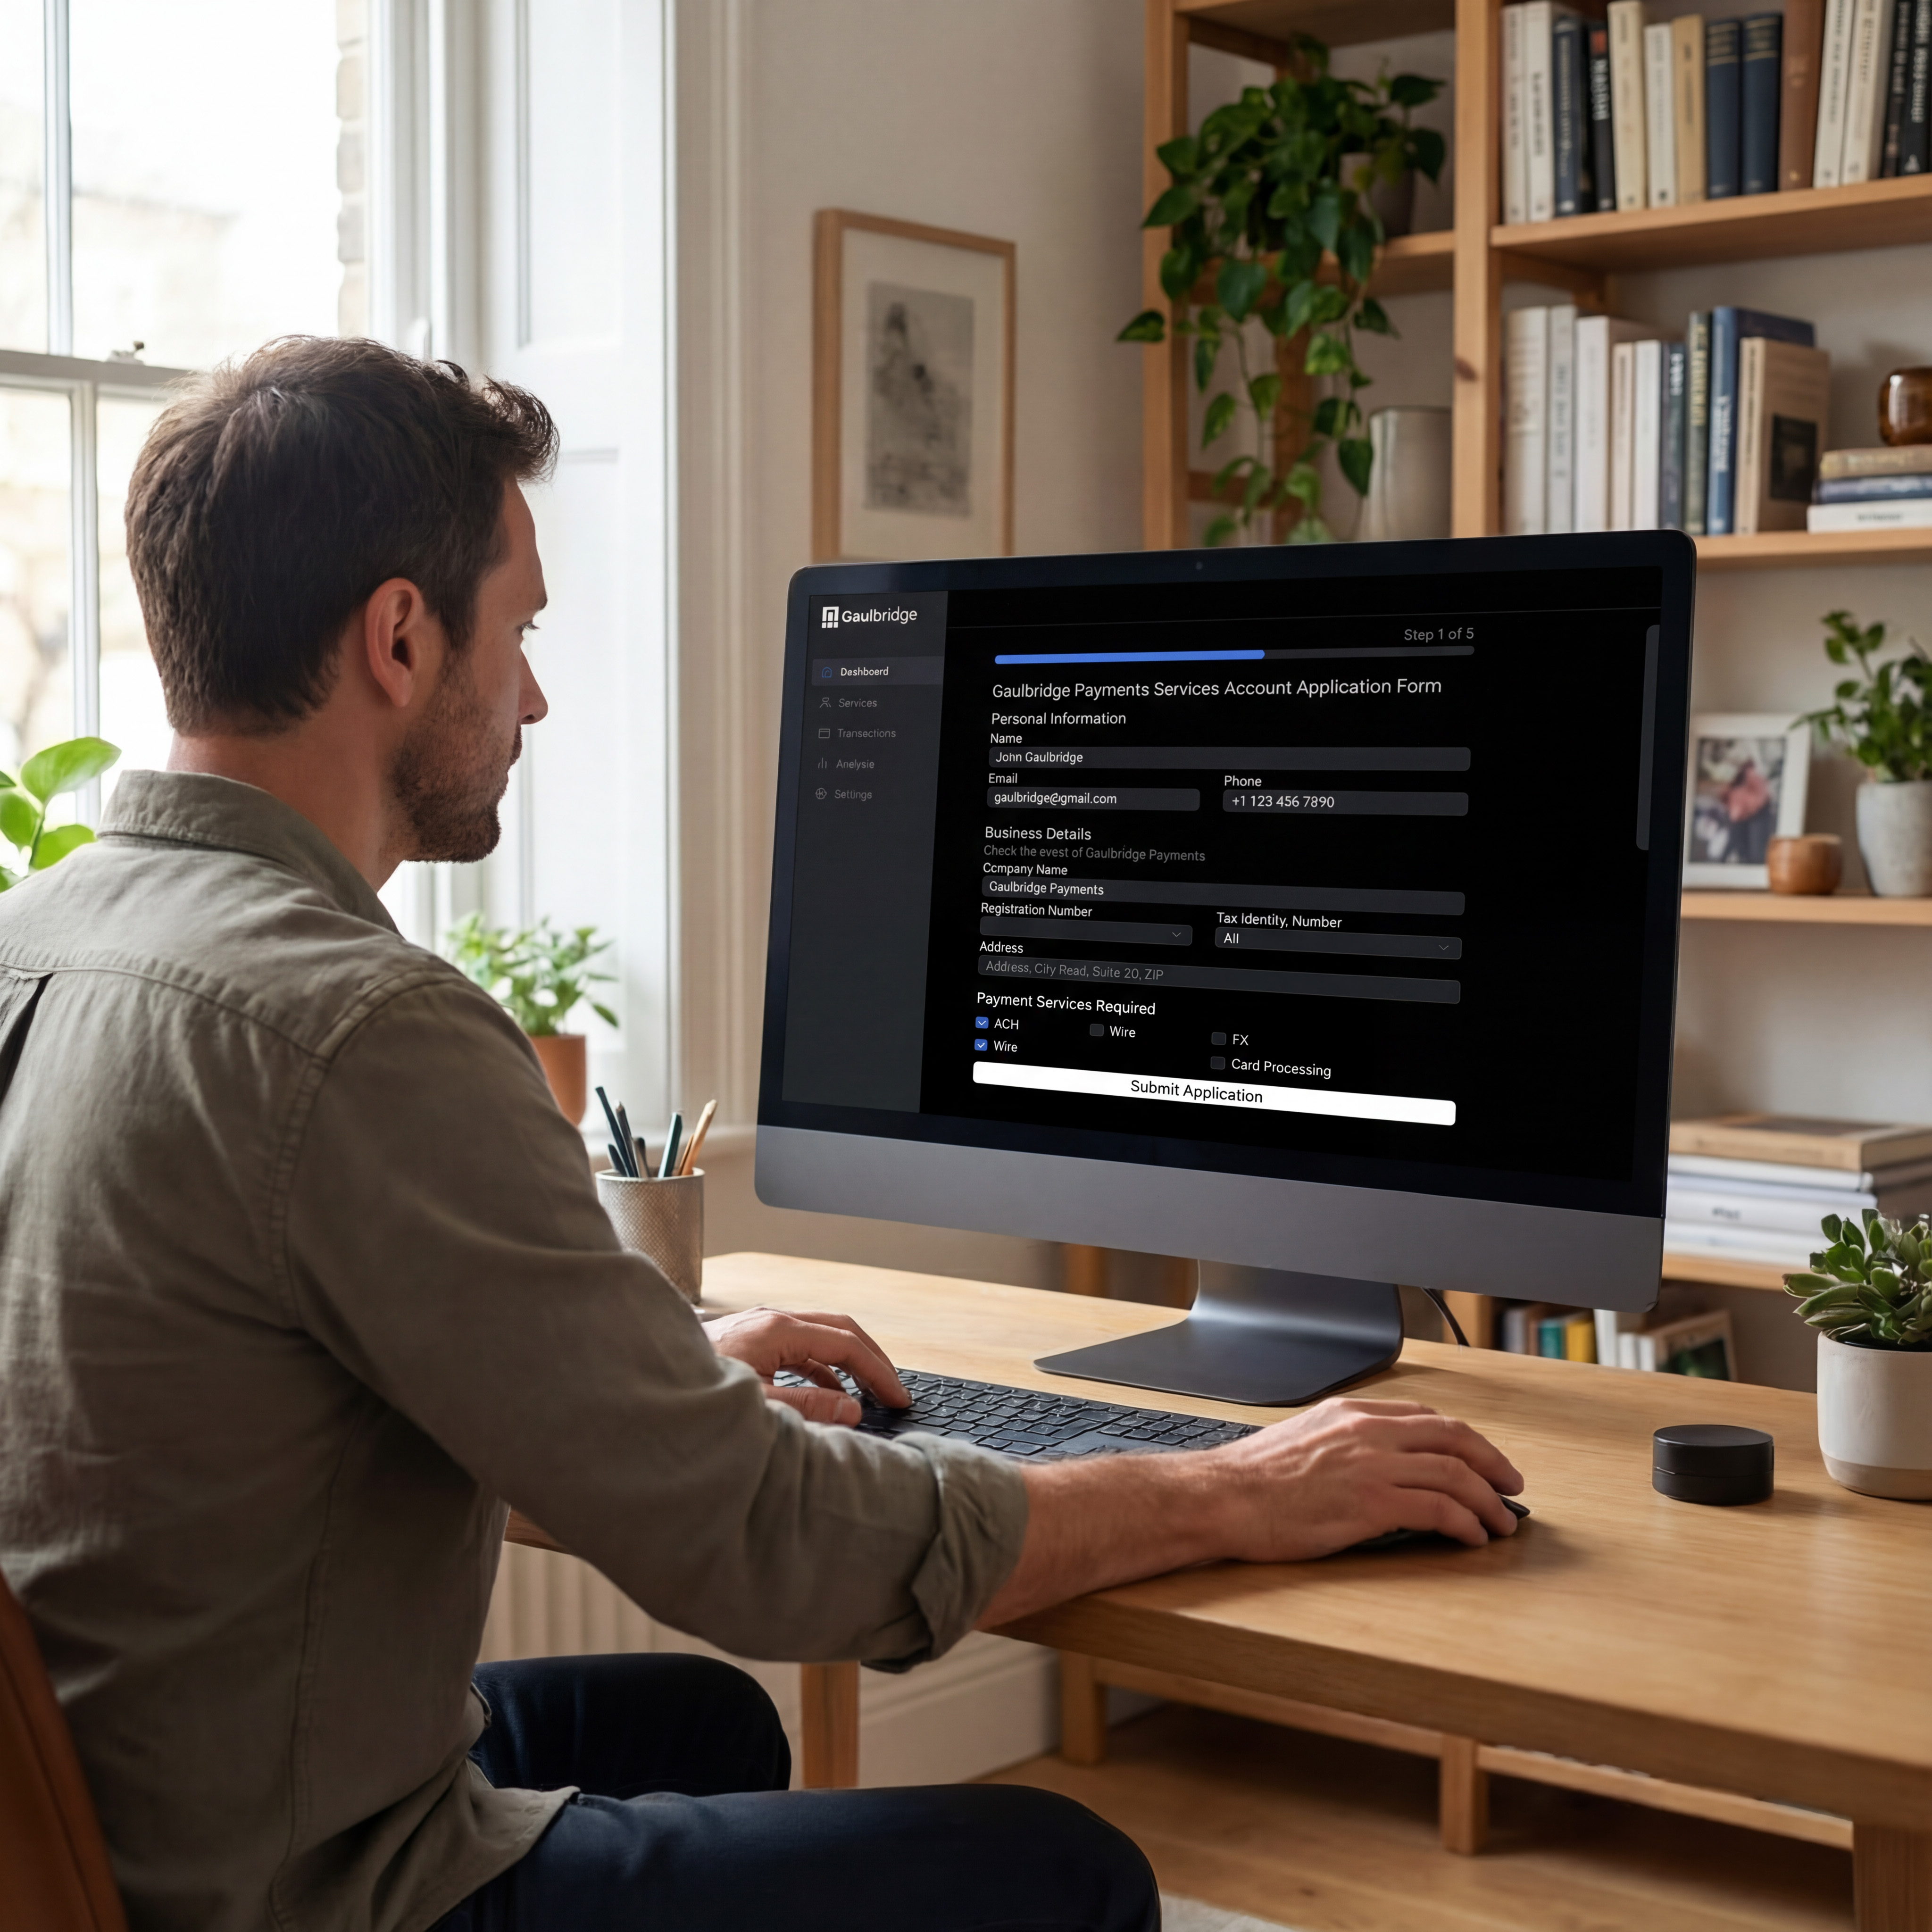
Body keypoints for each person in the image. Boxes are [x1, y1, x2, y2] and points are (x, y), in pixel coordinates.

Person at [0, 336, 1523, 1932]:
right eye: (515, 631)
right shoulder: (361, 1025)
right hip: (313, 1893)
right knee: (1066, 1874)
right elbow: (774, 1552)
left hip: (115, 1815)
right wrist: (1236, 1492)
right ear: (397, 636)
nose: (529, 693)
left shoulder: (43, 945)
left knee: (711, 1730)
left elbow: (235, 1380)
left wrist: (660, 1378)